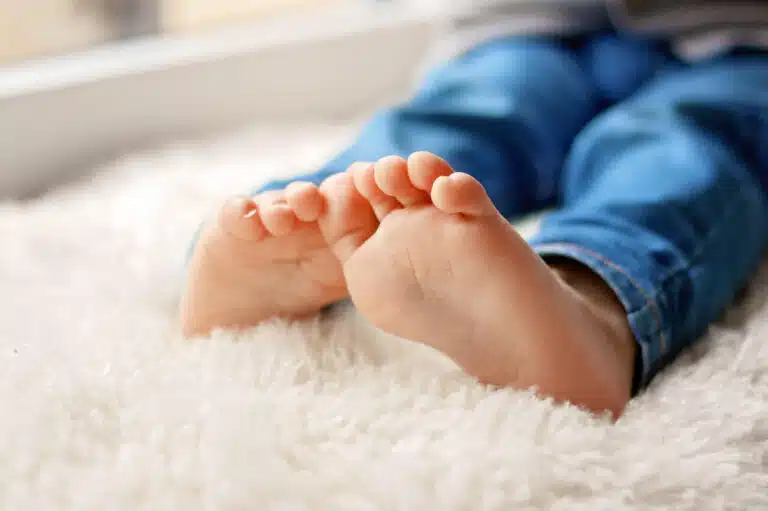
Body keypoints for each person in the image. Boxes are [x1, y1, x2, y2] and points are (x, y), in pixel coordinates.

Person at [179, 0, 768, 418]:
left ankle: (589, 306)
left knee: (680, 144)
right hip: (523, 23)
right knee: (453, 133)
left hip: (745, 41)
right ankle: (308, 230)